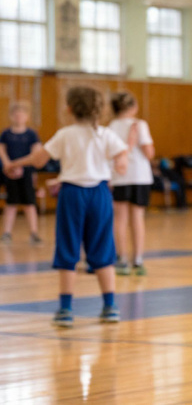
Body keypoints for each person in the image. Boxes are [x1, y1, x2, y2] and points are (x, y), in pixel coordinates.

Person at [8, 86, 129, 328]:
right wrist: (120, 165)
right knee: (103, 249)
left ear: (70, 109)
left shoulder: (65, 134)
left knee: (68, 247)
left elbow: (40, 159)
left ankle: (65, 310)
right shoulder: (104, 133)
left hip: (72, 194)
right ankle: (110, 306)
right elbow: (122, 155)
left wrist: (15, 164)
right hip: (100, 194)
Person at [108, 92, 155, 275]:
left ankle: (122, 259)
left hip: (119, 176)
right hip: (139, 176)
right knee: (137, 217)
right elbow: (149, 153)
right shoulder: (139, 124)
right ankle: (138, 259)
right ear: (133, 106)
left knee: (119, 219)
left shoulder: (110, 126)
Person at [0, 103, 43, 244]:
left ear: (27, 117)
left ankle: (34, 233)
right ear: (12, 116)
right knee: (11, 202)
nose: (19, 117)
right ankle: (6, 233)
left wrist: (20, 165)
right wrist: (8, 165)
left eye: (22, 114)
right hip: (10, 173)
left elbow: (36, 153)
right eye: (16, 114)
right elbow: (2, 150)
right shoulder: (6, 134)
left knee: (29, 203)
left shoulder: (31, 134)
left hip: (26, 173)